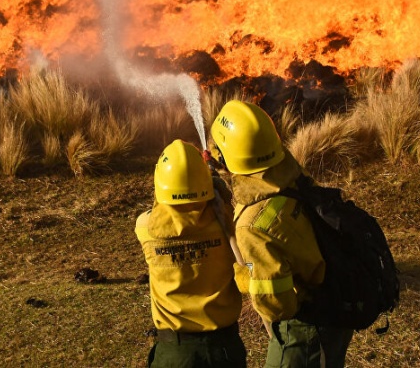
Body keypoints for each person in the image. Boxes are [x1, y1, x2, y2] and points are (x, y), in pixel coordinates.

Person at [209, 100, 353, 368]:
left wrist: (243, 274)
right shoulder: (291, 174)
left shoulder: (252, 226)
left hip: (307, 327)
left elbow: (276, 306)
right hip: (336, 302)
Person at [135, 139, 247, 368]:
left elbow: (160, 209)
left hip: (175, 353)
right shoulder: (226, 224)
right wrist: (218, 191)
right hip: (224, 350)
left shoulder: (145, 228)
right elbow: (226, 214)